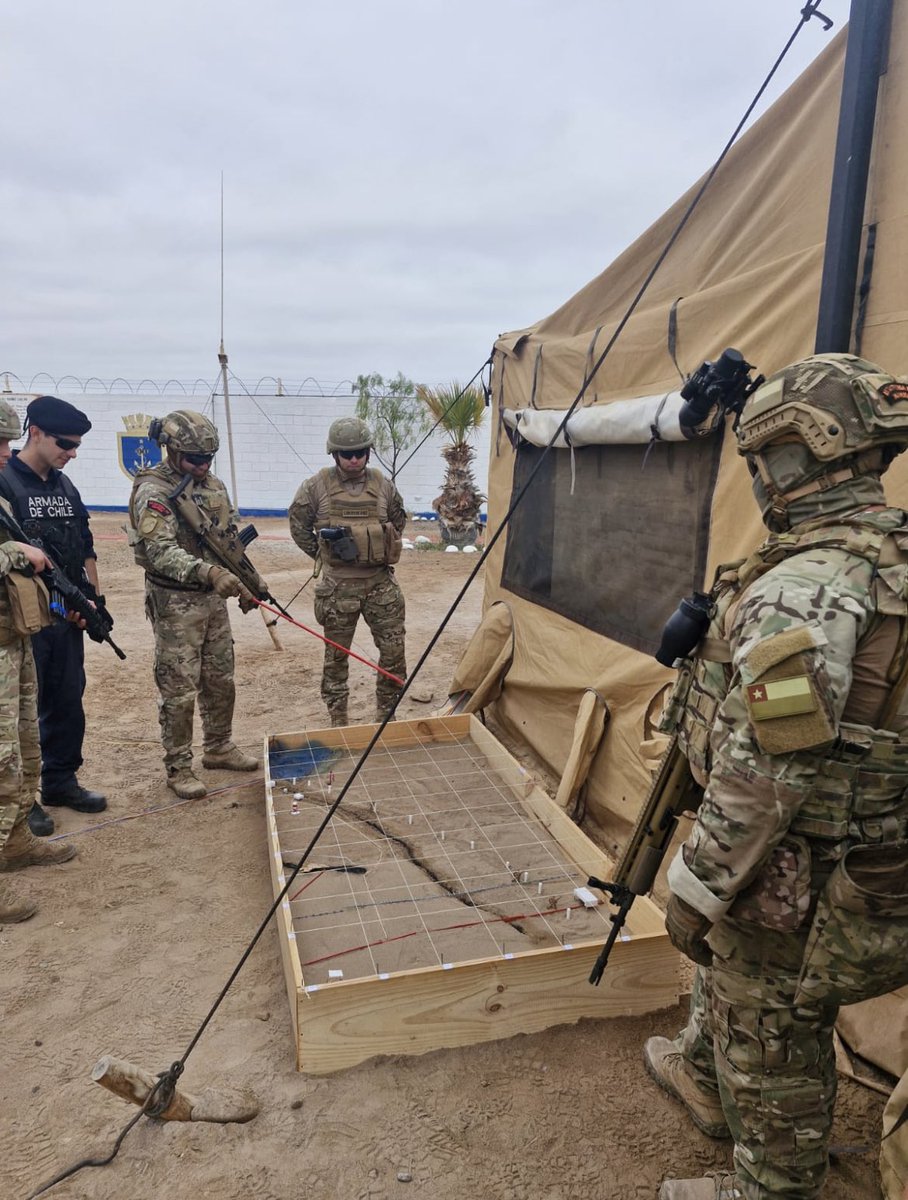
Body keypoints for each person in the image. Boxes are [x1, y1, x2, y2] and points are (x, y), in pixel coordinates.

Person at [645, 353, 908, 1200]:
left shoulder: (805, 590)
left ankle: (773, 1185)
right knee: (736, 992)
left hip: (802, 871)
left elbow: (768, 771)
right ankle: (700, 1072)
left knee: (772, 1028)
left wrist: (696, 886)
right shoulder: (887, 563)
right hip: (881, 859)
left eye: (759, 463)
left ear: (788, 459)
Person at [127, 410, 260, 799]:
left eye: (207, 459)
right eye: (193, 460)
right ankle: (179, 766)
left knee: (220, 679)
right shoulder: (153, 490)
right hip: (174, 601)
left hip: (212, 599)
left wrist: (248, 581)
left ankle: (218, 747)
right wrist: (210, 574)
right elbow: (161, 552)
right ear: (170, 450)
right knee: (179, 689)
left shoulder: (213, 485)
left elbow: (228, 538)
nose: (202, 467)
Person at [0, 395, 107, 839]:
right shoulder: (5, 482)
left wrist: (94, 600)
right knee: (24, 709)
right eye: (65, 442)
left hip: (65, 612)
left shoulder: (64, 487)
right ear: (36, 432)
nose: (72, 452)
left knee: (67, 698)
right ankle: (25, 803)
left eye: (77, 444)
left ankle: (60, 781)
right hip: (23, 616)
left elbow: (84, 544)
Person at [0, 399, 77, 920]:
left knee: (22, 742)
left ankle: (14, 840)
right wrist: (16, 553)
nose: (3, 454)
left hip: (11, 636)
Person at [289, 416, 407, 726]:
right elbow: (298, 525)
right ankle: (338, 718)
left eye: (359, 453)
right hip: (337, 589)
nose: (353, 460)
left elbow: (397, 521)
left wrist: (375, 548)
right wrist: (324, 554)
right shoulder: (315, 487)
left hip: (380, 585)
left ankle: (387, 713)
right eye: (346, 454)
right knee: (336, 657)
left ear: (368, 452)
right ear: (334, 454)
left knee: (393, 652)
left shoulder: (383, 485)